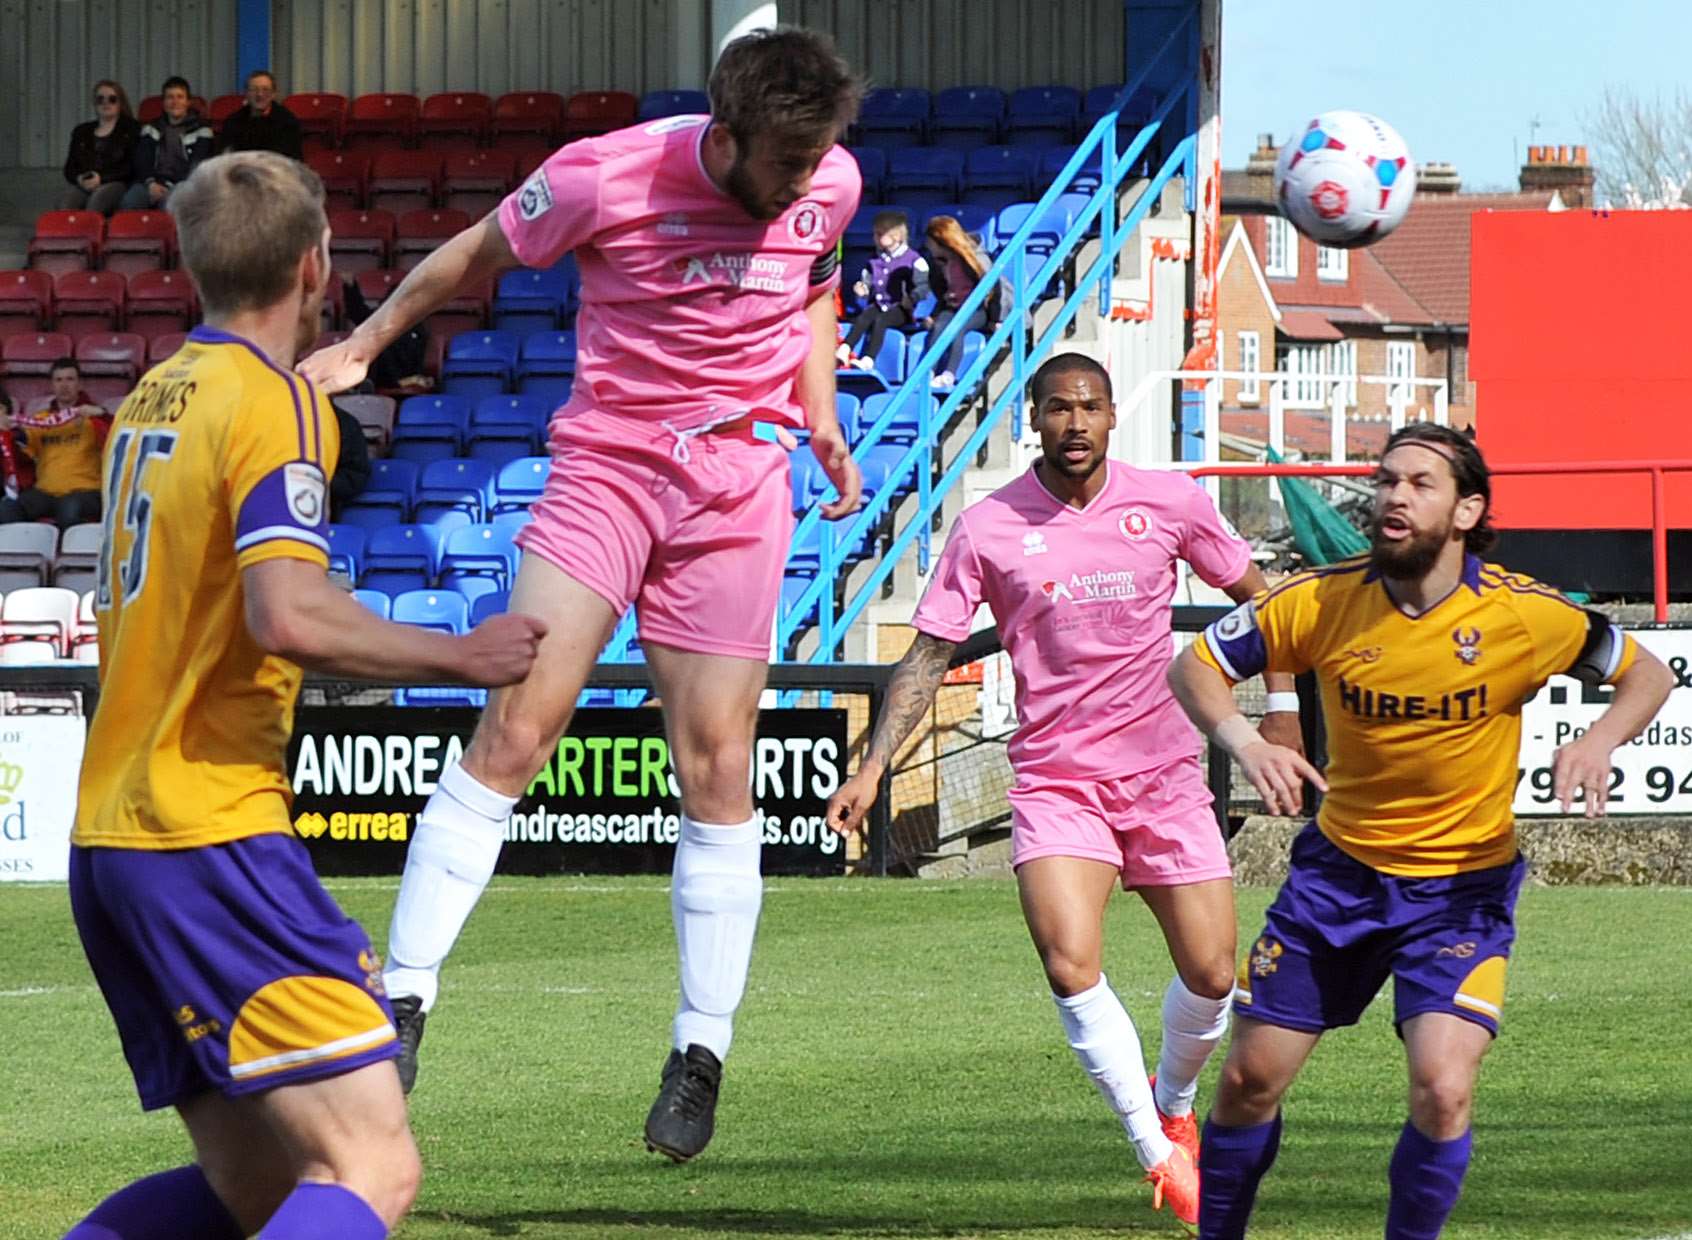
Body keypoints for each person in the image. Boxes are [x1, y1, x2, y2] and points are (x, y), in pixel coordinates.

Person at [299, 27, 864, 1163]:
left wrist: (821, 414)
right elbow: (472, 255)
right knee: (520, 720)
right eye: (787, 163)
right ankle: (402, 999)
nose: (808, 183)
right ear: (730, 133)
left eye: (818, 163)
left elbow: (818, 282)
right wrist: (366, 342)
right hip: (608, 465)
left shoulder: (830, 179)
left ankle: (701, 1050)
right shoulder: (605, 175)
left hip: (739, 486)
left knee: (718, 761)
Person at [62, 150, 545, 1240]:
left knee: (260, 1192)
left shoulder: (151, 393)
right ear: (319, 263)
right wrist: (461, 653)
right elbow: (288, 613)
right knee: (371, 1166)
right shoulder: (276, 405)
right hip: (207, 833)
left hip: (115, 839)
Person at [827, 352, 1304, 1227]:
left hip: (1163, 775)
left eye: (1089, 406)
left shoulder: (1170, 502)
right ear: (1034, 421)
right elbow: (930, 654)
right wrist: (872, 765)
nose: (1074, 422)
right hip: (1056, 780)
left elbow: (1265, 599)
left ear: (1114, 415)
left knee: (1208, 971)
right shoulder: (988, 528)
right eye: (1057, 408)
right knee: (1070, 961)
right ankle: (1156, 1152)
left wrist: (1280, 714)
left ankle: (1172, 1100)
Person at [1165, 422, 1675, 1240]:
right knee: (1248, 1082)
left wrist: (1600, 737)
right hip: (1338, 880)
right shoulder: (1321, 599)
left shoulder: (1520, 615)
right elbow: (1195, 665)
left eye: (1418, 484)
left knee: (1444, 1086)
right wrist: (1248, 740)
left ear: (1468, 509)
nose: (1393, 497)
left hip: (1460, 894)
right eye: (1385, 481)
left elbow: (1645, 670)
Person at [0, 358, 109, 529]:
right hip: (46, 493)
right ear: (52, 385)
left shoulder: (94, 419)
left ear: (80, 384)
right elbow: (23, 452)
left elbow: (116, 437)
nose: (64, 385)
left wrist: (103, 414)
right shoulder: (41, 419)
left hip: (86, 492)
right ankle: (28, 553)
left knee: (69, 508)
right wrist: (7, 432)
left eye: (70, 379)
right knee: (7, 508)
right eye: (58, 380)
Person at [836, 209, 927, 370]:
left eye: (880, 234)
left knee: (881, 321)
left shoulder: (914, 259)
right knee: (864, 317)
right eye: (875, 234)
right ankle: (845, 348)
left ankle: (868, 359)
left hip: (900, 309)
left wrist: (912, 298)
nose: (875, 238)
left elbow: (923, 286)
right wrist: (863, 289)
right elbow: (867, 281)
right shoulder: (874, 260)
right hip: (877, 305)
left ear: (897, 236)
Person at [922, 214, 1003, 390]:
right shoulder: (938, 264)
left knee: (956, 328)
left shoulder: (974, 260)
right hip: (952, 307)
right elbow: (942, 294)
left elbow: (994, 288)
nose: (929, 248)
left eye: (931, 243)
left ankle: (949, 373)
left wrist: (994, 319)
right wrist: (934, 315)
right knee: (938, 327)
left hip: (976, 310)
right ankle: (928, 370)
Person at [122, 76, 214, 211]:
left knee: (169, 205)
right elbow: (142, 161)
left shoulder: (202, 130)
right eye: (170, 97)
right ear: (163, 102)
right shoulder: (151, 128)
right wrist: (150, 184)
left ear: (188, 102)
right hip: (152, 183)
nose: (174, 102)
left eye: (180, 97)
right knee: (130, 201)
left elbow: (197, 165)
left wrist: (170, 187)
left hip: (183, 184)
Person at [60, 80, 140, 215]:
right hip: (85, 183)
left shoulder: (132, 129)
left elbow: (132, 166)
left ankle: (92, 234)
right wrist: (79, 178)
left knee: (97, 201)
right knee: (65, 204)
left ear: (120, 103)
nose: (105, 103)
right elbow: (70, 168)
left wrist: (101, 178)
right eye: (100, 99)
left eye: (112, 99)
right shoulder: (81, 131)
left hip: (116, 182)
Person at [219, 70, 304, 160]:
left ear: (274, 94)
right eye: (254, 89)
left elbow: (291, 160)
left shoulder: (288, 122)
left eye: (265, 89)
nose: (259, 94)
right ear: (246, 93)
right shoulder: (233, 121)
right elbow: (226, 156)